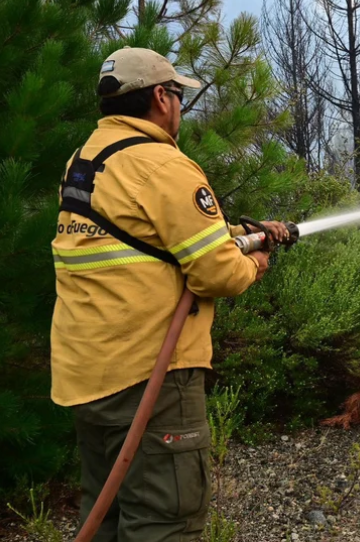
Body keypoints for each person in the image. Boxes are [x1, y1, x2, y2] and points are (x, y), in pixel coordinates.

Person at [50, 47, 287, 541]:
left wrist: (234, 233)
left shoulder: (87, 161)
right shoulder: (162, 165)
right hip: (149, 378)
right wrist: (254, 262)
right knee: (165, 520)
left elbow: (143, 237)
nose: (180, 106)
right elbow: (217, 273)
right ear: (161, 97)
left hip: (88, 374)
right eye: (178, 95)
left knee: (109, 518)